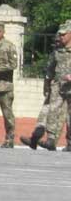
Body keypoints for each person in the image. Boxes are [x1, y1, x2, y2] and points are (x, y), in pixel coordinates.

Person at [21, 21, 71, 151]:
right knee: (52, 111)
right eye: (60, 35)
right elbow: (50, 68)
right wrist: (47, 84)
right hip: (58, 86)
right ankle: (50, 140)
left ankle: (70, 143)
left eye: (64, 35)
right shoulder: (58, 50)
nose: (61, 37)